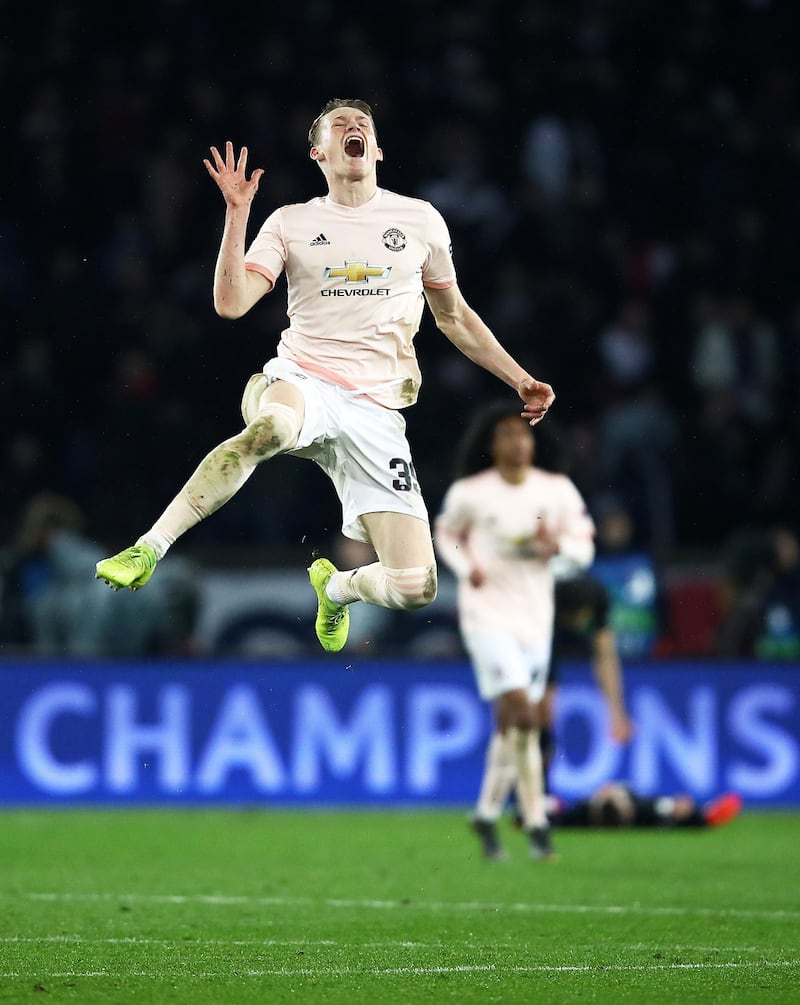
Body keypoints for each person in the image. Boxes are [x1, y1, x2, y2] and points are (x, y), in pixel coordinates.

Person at [94, 98, 555, 654]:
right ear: (320, 153)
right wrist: (237, 214)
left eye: (363, 124)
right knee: (271, 431)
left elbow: (454, 317)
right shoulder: (291, 222)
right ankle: (149, 547)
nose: (354, 127)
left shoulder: (420, 220)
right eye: (340, 125)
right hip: (304, 379)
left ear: (378, 149)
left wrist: (520, 379)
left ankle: (336, 588)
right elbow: (232, 303)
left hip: (378, 411)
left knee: (416, 587)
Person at [434, 402, 595, 862]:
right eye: (506, 435)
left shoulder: (556, 490)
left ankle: (487, 814)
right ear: (490, 443)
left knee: (515, 725)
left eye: (523, 435)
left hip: (535, 618)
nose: (517, 442)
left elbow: (584, 547)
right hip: (486, 615)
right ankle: (537, 820)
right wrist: (469, 568)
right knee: (525, 715)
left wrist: (557, 548)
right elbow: (445, 534)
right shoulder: (471, 492)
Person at [539, 571, 635, 789]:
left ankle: (540, 794)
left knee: (545, 712)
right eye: (579, 617)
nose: (582, 624)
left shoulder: (599, 597)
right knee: (541, 711)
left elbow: (606, 656)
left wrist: (617, 713)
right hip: (533, 633)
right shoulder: (545, 599)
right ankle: (535, 793)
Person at [547, 782, 742, 830]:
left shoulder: (580, 811)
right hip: (630, 813)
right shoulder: (643, 809)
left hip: (592, 814)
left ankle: (704, 816)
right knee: (667, 810)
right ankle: (705, 816)